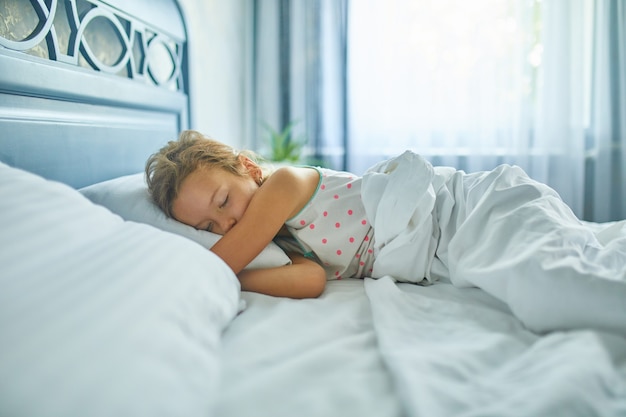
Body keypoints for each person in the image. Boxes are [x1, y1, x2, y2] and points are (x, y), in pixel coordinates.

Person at [147, 130, 626, 335]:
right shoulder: (281, 242)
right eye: (208, 228)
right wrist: (238, 280)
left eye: (224, 203)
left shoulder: (283, 185)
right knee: (561, 270)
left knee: (551, 285)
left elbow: (223, 258)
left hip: (464, 211)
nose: (226, 226)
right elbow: (310, 280)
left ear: (248, 168)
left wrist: (196, 270)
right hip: (443, 252)